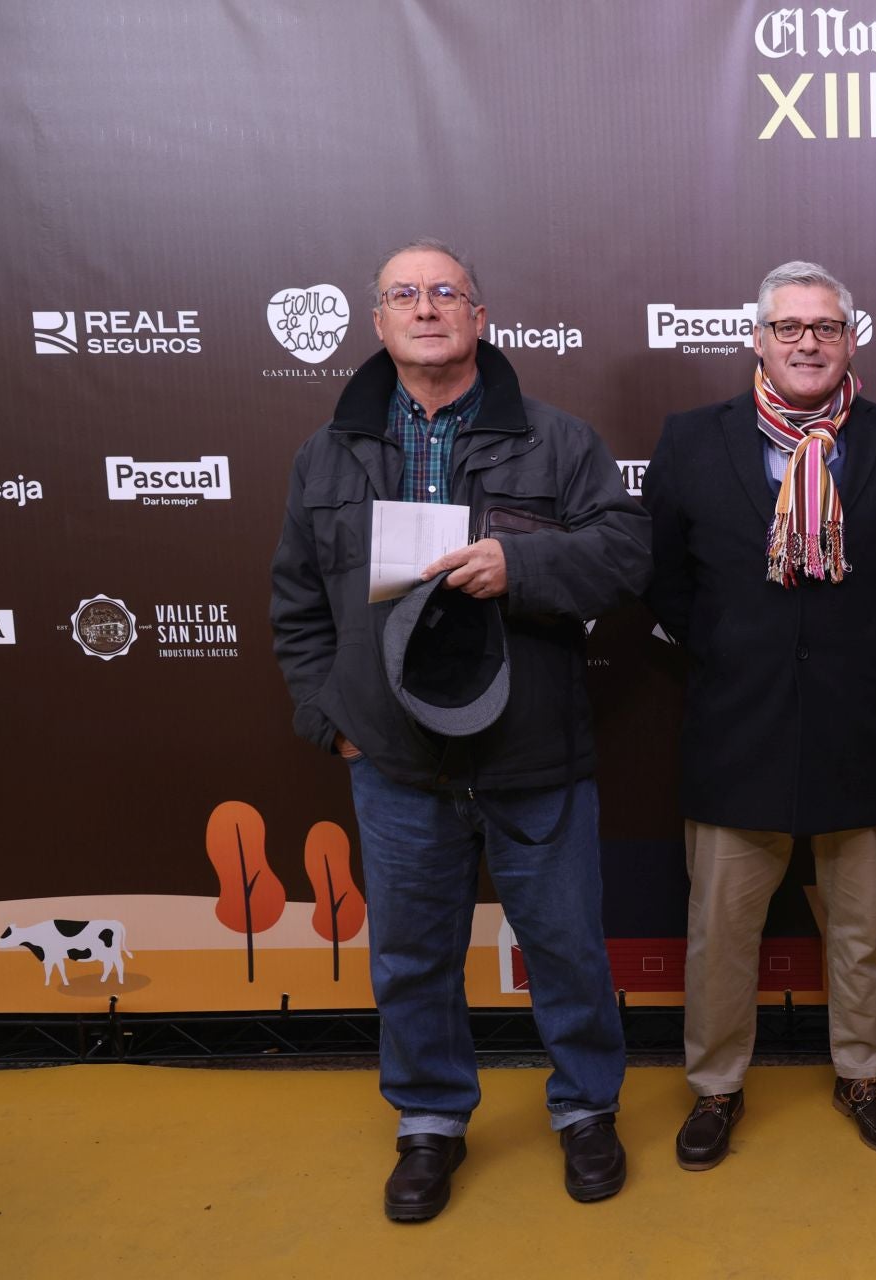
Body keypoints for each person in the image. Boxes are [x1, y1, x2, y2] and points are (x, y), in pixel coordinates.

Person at [270, 238, 650, 1221]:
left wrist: (520, 567)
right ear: (378, 321)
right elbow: (298, 604)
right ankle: (430, 1120)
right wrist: (330, 717)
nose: (428, 307)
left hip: (532, 753)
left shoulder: (559, 440)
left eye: (448, 292)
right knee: (408, 953)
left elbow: (621, 555)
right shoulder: (328, 452)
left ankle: (584, 1108)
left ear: (480, 317)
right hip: (394, 761)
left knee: (565, 944)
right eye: (406, 294)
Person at [644, 261, 876, 1170]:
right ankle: (717, 1089)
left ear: (852, 340)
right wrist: (742, 657)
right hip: (738, 727)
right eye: (789, 326)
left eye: (826, 327)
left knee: (861, 931)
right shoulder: (691, 440)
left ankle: (862, 1074)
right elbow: (669, 586)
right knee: (721, 934)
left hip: (862, 726)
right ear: (756, 339)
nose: (808, 342)